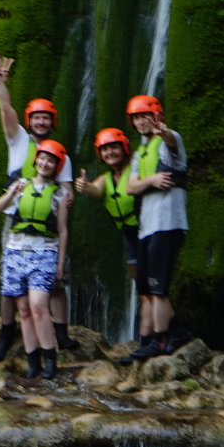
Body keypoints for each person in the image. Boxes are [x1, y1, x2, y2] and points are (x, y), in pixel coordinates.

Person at [0, 52, 76, 361]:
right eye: (37, 117)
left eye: (46, 118)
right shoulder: (18, 140)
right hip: (15, 220)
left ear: (52, 122)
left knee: (56, 281)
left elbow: (66, 191)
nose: (41, 121)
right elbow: (4, 107)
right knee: (9, 284)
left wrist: (70, 196)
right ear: (29, 121)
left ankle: (60, 331)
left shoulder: (59, 155)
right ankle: (6, 332)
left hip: (47, 227)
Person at [122, 94, 192, 361]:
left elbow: (172, 142)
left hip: (168, 223)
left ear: (156, 115)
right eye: (137, 118)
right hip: (147, 227)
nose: (141, 122)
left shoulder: (168, 139)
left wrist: (165, 133)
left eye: (145, 116)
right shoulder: (141, 151)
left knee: (158, 288)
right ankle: (171, 333)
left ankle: (160, 341)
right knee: (147, 288)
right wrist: (151, 180)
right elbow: (130, 187)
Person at [0, 139, 71, 379]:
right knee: (24, 310)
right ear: (35, 159)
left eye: (50, 160)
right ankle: (32, 361)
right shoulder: (21, 185)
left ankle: (50, 358)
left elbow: (62, 231)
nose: (45, 163)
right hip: (15, 252)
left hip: (44, 253)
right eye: (42, 158)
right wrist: (12, 193)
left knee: (38, 305)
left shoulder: (60, 194)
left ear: (56, 166)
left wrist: (60, 263)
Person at [74, 127, 140, 336]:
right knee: (143, 287)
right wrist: (84, 186)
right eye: (105, 150)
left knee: (154, 287)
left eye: (114, 148)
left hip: (147, 231)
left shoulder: (136, 168)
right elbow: (95, 189)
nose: (110, 153)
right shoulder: (105, 179)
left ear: (124, 148)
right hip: (130, 235)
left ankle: (165, 332)